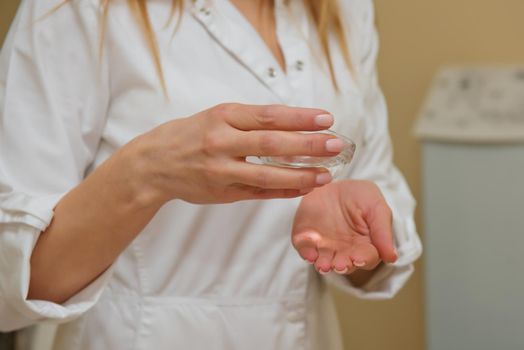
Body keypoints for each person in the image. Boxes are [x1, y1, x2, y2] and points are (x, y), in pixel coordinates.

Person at [0, 0, 422, 349]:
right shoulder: (77, 9)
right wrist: (147, 174)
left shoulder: (345, 11)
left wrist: (355, 230)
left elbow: (378, 219)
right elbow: (14, 281)